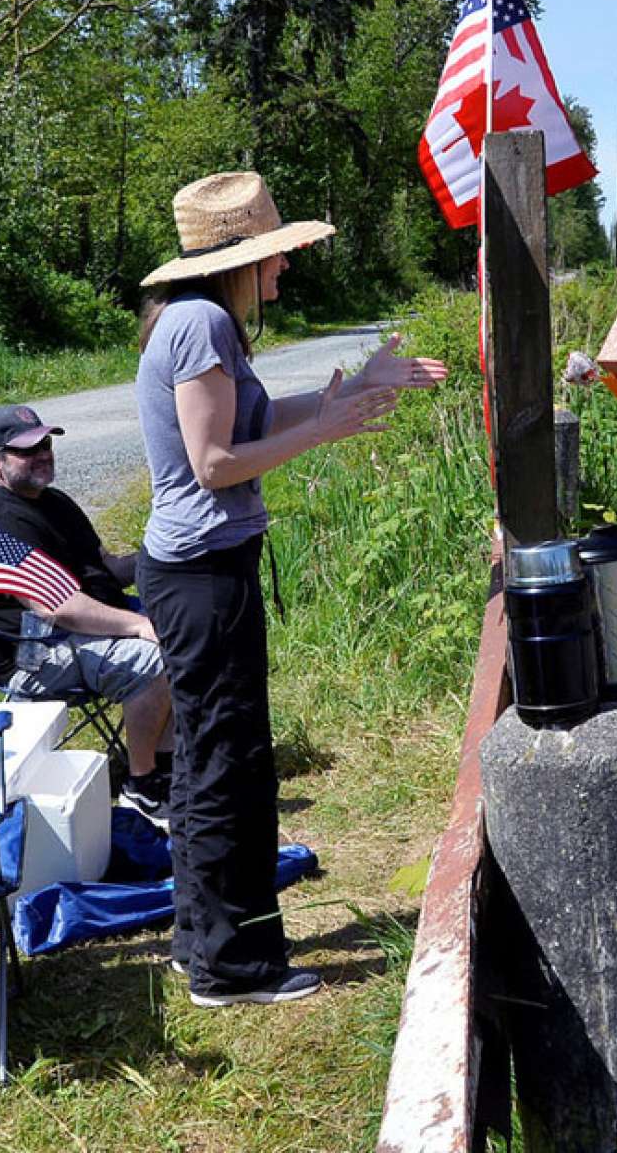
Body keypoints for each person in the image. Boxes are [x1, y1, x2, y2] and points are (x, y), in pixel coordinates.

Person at [135, 171, 446, 1006]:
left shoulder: (200, 320)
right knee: (229, 766)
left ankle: (200, 940)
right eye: (275, 255)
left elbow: (251, 420)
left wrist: (362, 385)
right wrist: (325, 431)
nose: (284, 266)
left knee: (205, 759)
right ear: (237, 260)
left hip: (198, 569)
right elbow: (215, 463)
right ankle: (233, 968)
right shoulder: (203, 324)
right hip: (202, 574)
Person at [0, 404, 175, 826]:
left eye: (45, 443)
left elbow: (106, 566)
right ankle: (142, 785)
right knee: (158, 658)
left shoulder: (54, 501)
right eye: (27, 450)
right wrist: (139, 625)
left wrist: (169, 558)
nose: (43, 454)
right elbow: (59, 607)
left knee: (192, 627)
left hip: (86, 628)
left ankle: (172, 765)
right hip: (35, 654)